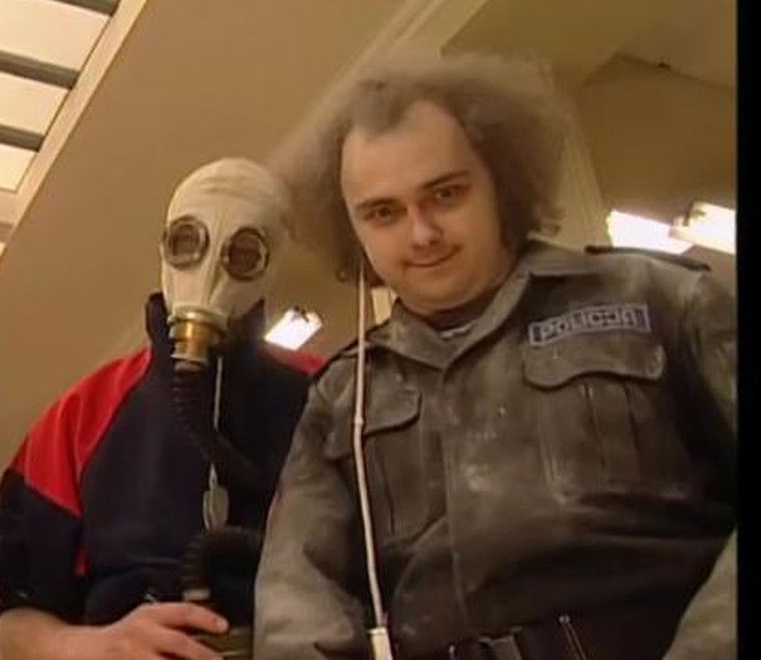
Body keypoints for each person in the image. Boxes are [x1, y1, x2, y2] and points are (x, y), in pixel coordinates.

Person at [254, 52, 735, 660]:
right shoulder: (343, 398)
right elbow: (296, 601)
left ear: (500, 184)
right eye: (384, 213)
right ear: (353, 230)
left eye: (446, 194)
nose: (422, 233)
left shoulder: (658, 300)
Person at [0, 158, 324, 660]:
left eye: (242, 253)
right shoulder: (81, 416)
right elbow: (14, 624)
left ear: (271, 265)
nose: (208, 271)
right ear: (164, 248)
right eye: (188, 242)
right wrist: (99, 646)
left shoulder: (337, 397)